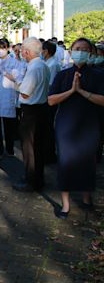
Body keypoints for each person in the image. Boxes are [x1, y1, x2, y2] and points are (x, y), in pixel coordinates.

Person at [48, 38, 104, 219]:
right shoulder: (63, 75)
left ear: (91, 53)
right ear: (71, 52)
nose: (80, 51)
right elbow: (51, 100)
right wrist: (71, 91)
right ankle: (65, 204)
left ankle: (87, 198)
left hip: (89, 125)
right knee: (65, 162)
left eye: (85, 49)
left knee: (88, 161)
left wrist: (82, 92)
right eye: (77, 48)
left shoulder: (98, 75)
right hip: (66, 125)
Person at [10, 37, 50, 192]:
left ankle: (31, 180)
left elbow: (25, 93)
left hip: (32, 112)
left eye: (22, 51)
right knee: (37, 147)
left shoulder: (34, 68)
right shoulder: (43, 65)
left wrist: (15, 81)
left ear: (26, 51)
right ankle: (37, 178)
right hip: (41, 109)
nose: (21, 54)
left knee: (29, 148)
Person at [0, 38, 23, 161]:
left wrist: (5, 72)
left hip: (8, 95)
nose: (1, 50)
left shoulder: (14, 62)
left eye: (3, 48)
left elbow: (18, 79)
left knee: (9, 124)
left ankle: (10, 148)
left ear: (8, 48)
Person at [42, 40, 61, 164]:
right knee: (46, 128)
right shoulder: (47, 62)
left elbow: (50, 84)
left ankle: (50, 155)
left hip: (49, 99)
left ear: (47, 51)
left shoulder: (52, 64)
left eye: (42, 50)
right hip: (46, 98)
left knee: (48, 127)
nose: (41, 52)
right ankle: (48, 153)